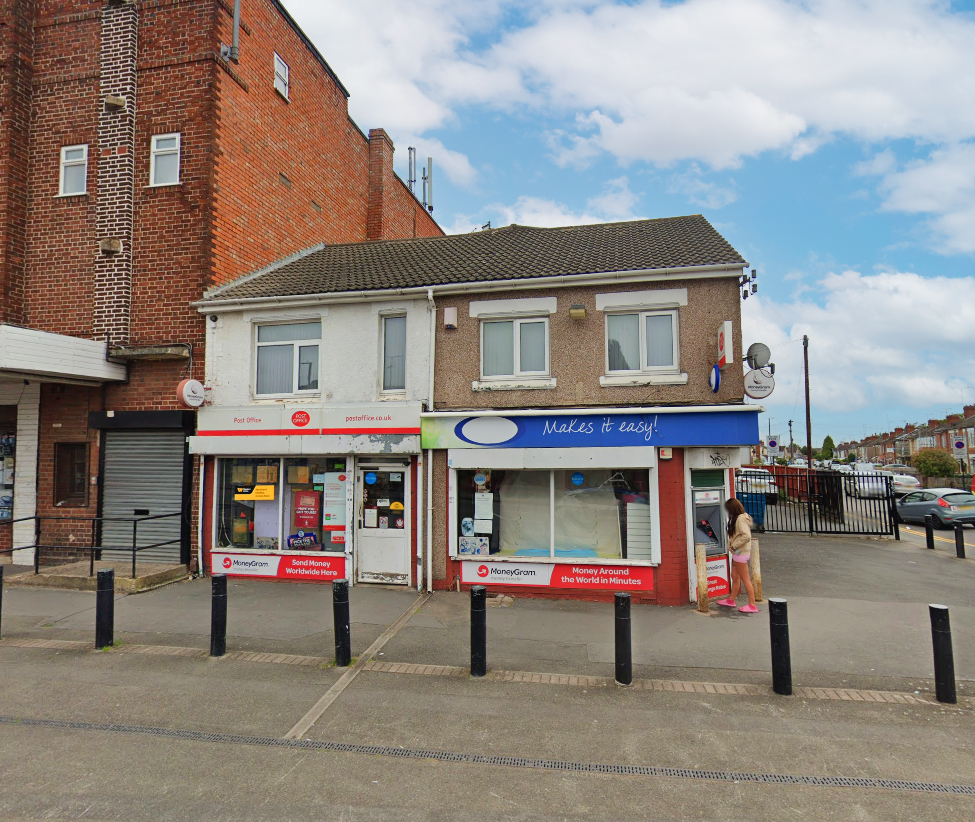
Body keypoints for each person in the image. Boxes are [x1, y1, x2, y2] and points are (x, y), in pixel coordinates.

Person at [717, 498, 758, 613]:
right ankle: (731, 600)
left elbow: (746, 536)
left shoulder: (740, 519)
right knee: (735, 576)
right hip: (738, 553)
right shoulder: (742, 517)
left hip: (740, 553)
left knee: (746, 579)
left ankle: (752, 605)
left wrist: (734, 546)